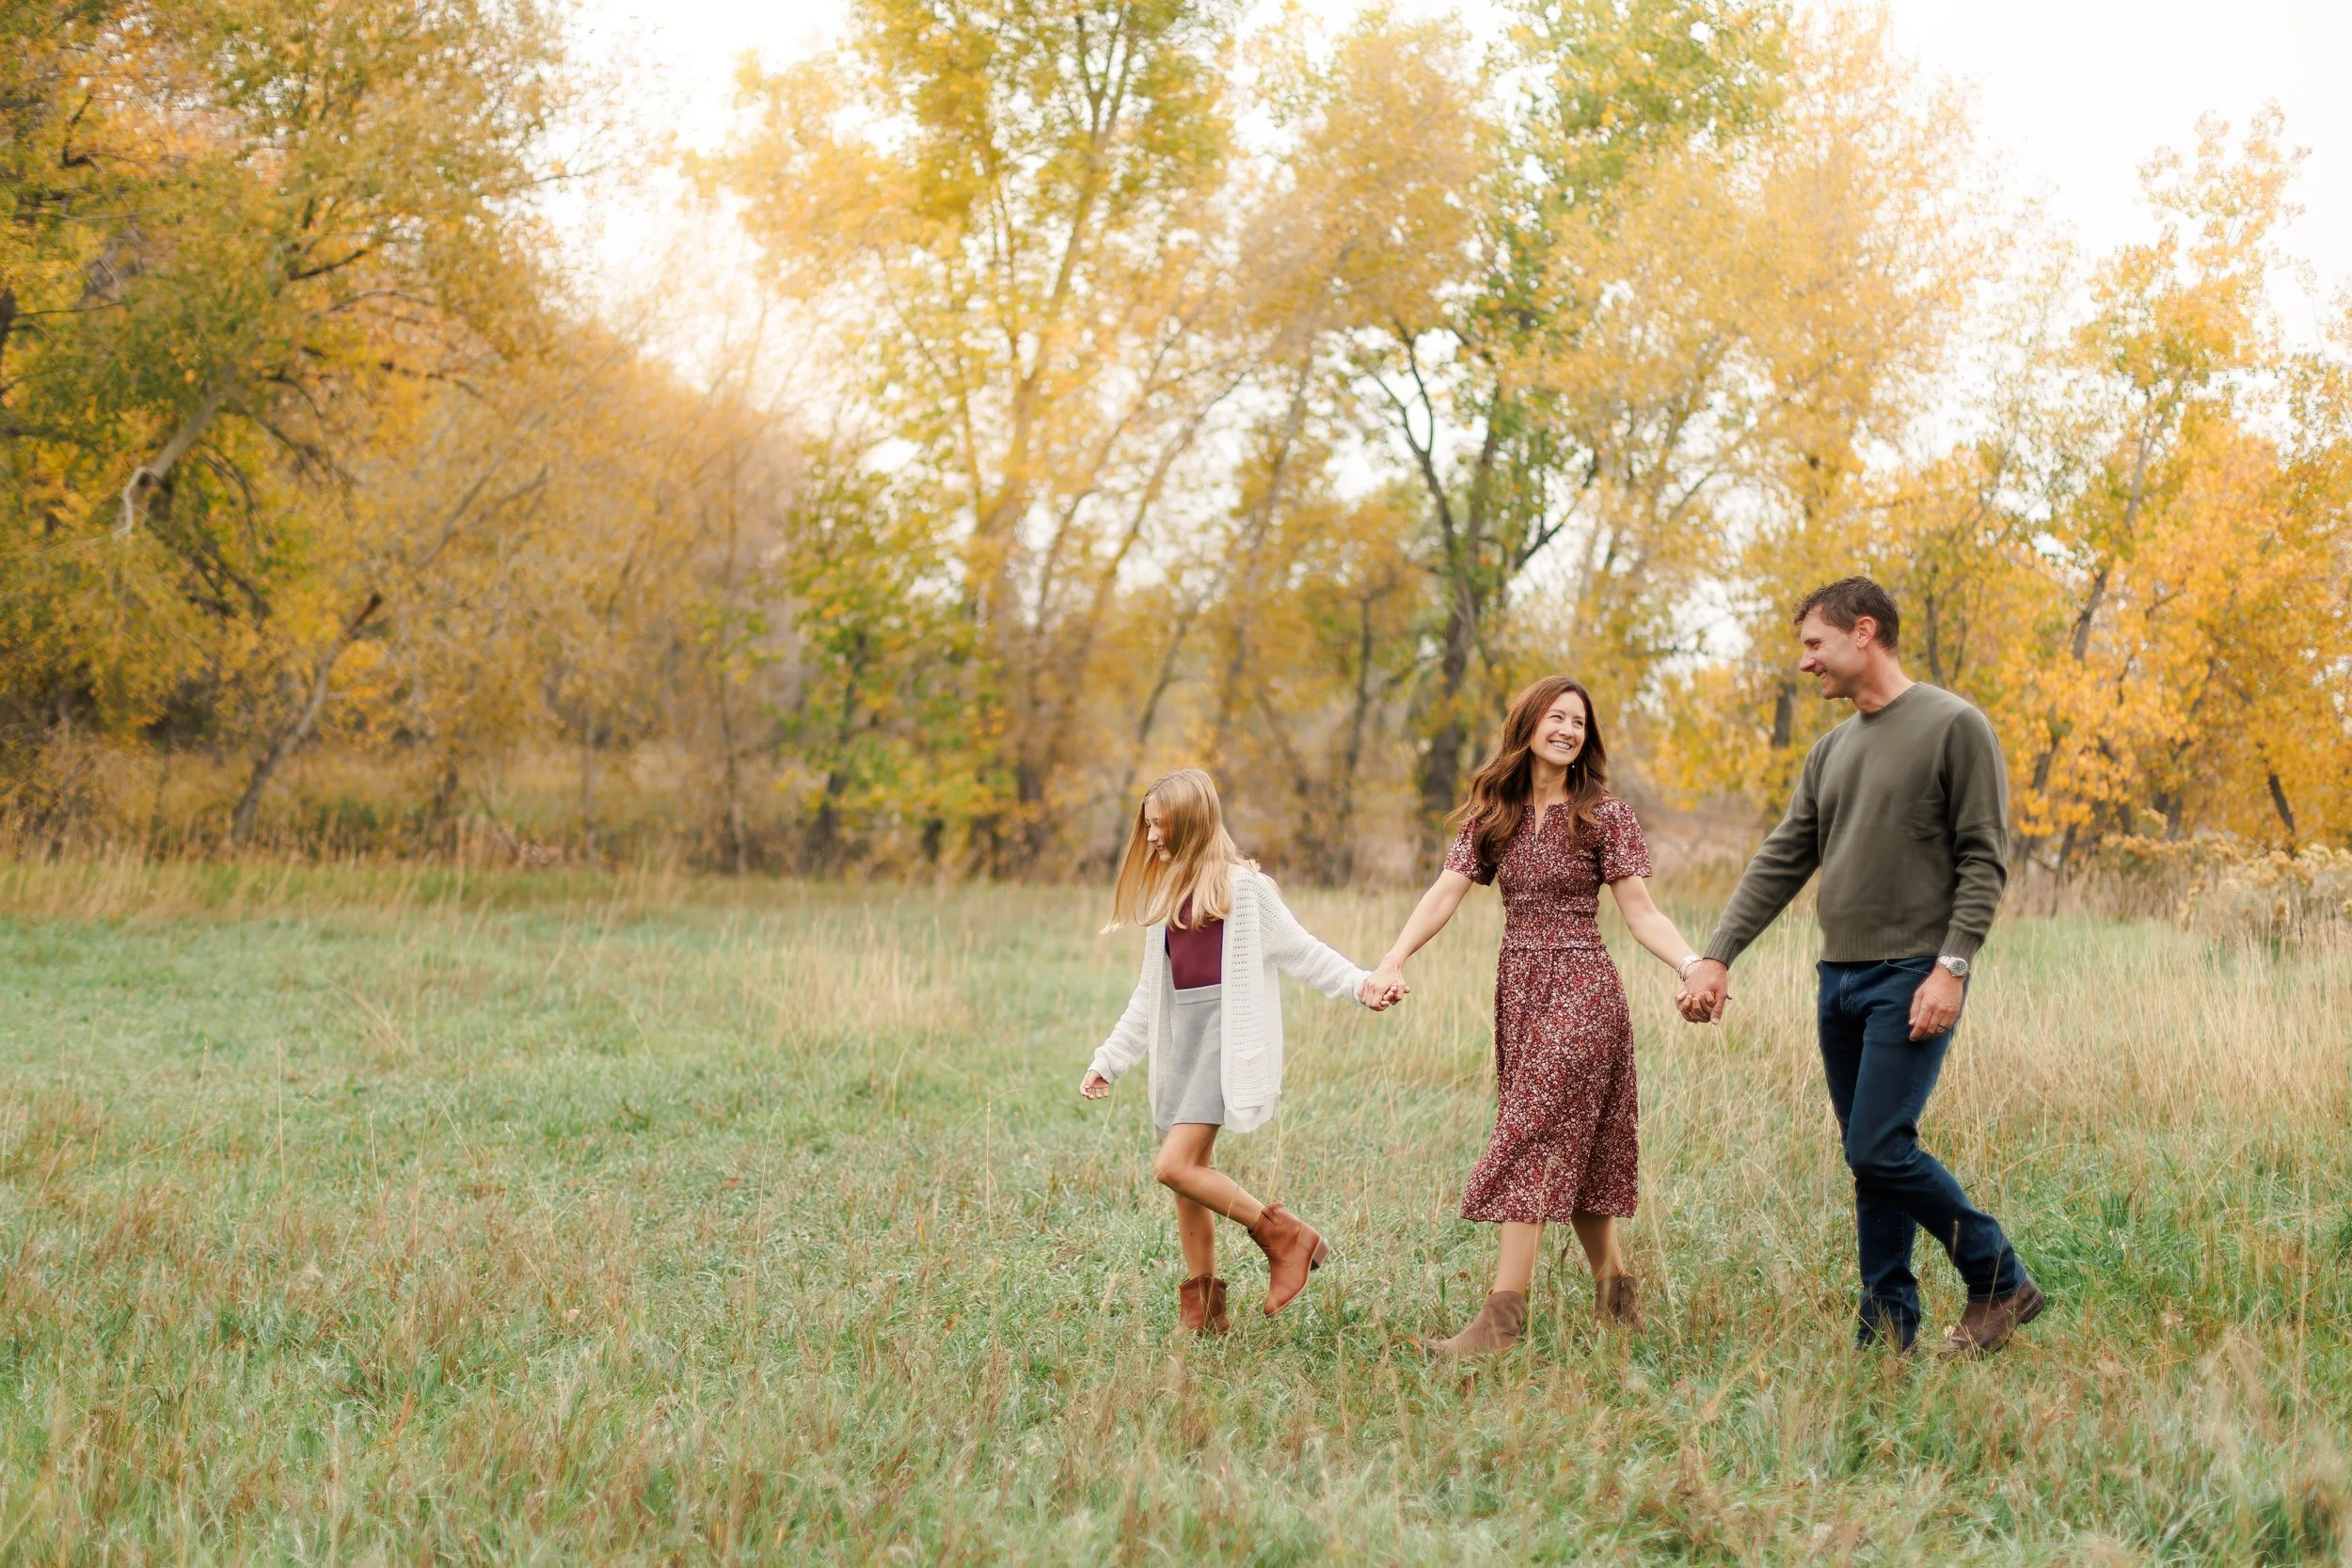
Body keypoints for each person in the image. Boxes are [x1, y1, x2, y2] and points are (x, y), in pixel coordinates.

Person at [1677, 577, 2042, 1356]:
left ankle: (1999, 1275)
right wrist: (1717, 953)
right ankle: (1887, 1330)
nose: (1807, 663)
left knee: (1877, 1146)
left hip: (1913, 973)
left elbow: (1984, 859)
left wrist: (1952, 967)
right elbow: (1782, 858)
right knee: (1871, 1158)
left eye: (1815, 643)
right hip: (1837, 978)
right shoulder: (1831, 751)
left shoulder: (1954, 726)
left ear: (1863, 632)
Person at [1364, 676, 1706, 1357]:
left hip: (1584, 987)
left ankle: (1501, 1320)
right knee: (1573, 1159)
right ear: (1528, 725)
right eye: (1557, 716)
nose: (1568, 730)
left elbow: (1641, 911)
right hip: (1521, 991)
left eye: (1579, 722)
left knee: (1526, 1134)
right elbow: (1445, 893)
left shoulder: (1605, 814)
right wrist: (1394, 957)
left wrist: (1691, 963)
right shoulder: (1496, 813)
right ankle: (1619, 1300)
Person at [1079, 768, 1401, 1335]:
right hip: (1185, 1046)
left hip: (1224, 1045)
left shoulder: (1246, 891)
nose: (1152, 837)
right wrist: (1109, 1058)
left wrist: (1362, 984)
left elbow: (1304, 952)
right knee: (1188, 1178)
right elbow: (1149, 998)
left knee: (1172, 1166)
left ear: (1194, 824)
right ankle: (1204, 1312)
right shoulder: (1165, 897)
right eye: (1148, 826)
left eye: (1162, 826)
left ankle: (1284, 1237)